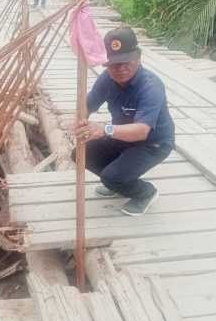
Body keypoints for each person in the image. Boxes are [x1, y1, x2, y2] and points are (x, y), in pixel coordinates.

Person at [73, 27, 175, 216]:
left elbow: (141, 131)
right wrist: (81, 120)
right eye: (113, 64)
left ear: (138, 57)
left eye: (126, 62)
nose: (120, 69)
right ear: (106, 64)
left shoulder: (150, 86)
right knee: (80, 154)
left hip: (152, 143)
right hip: (122, 136)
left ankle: (145, 193)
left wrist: (104, 129)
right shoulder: (107, 79)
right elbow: (87, 105)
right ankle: (117, 182)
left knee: (113, 176)